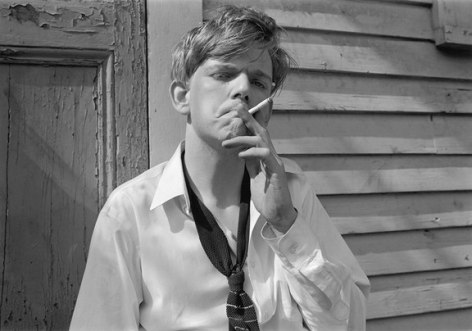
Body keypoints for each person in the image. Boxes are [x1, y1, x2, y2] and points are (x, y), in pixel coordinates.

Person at [70, 5, 370, 331]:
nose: (242, 89)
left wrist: (287, 225)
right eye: (224, 74)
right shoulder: (130, 213)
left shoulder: (293, 193)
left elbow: (349, 324)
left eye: (258, 81)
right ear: (182, 97)